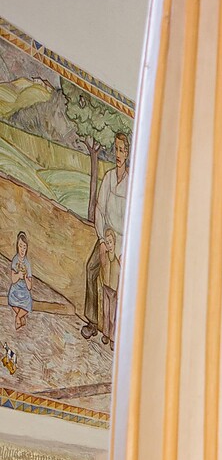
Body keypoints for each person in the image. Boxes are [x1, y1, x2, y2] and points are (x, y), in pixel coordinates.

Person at [83, 129, 129, 343]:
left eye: (122, 150)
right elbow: (99, 209)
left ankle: (116, 333)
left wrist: (121, 250)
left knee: (119, 286)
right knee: (91, 269)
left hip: (120, 243)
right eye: (116, 149)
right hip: (106, 236)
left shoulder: (130, 184)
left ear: (127, 154)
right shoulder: (109, 177)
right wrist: (101, 240)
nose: (118, 154)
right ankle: (92, 321)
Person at [6, 233, 32, 332]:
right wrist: (18, 275)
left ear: (27, 249)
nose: (22, 250)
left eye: (24, 247)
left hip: (24, 292)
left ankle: (18, 317)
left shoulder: (27, 264)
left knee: (28, 305)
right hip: (15, 290)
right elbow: (13, 279)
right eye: (20, 246)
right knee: (11, 301)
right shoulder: (15, 260)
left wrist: (25, 278)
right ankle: (20, 316)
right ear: (17, 246)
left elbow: (29, 287)